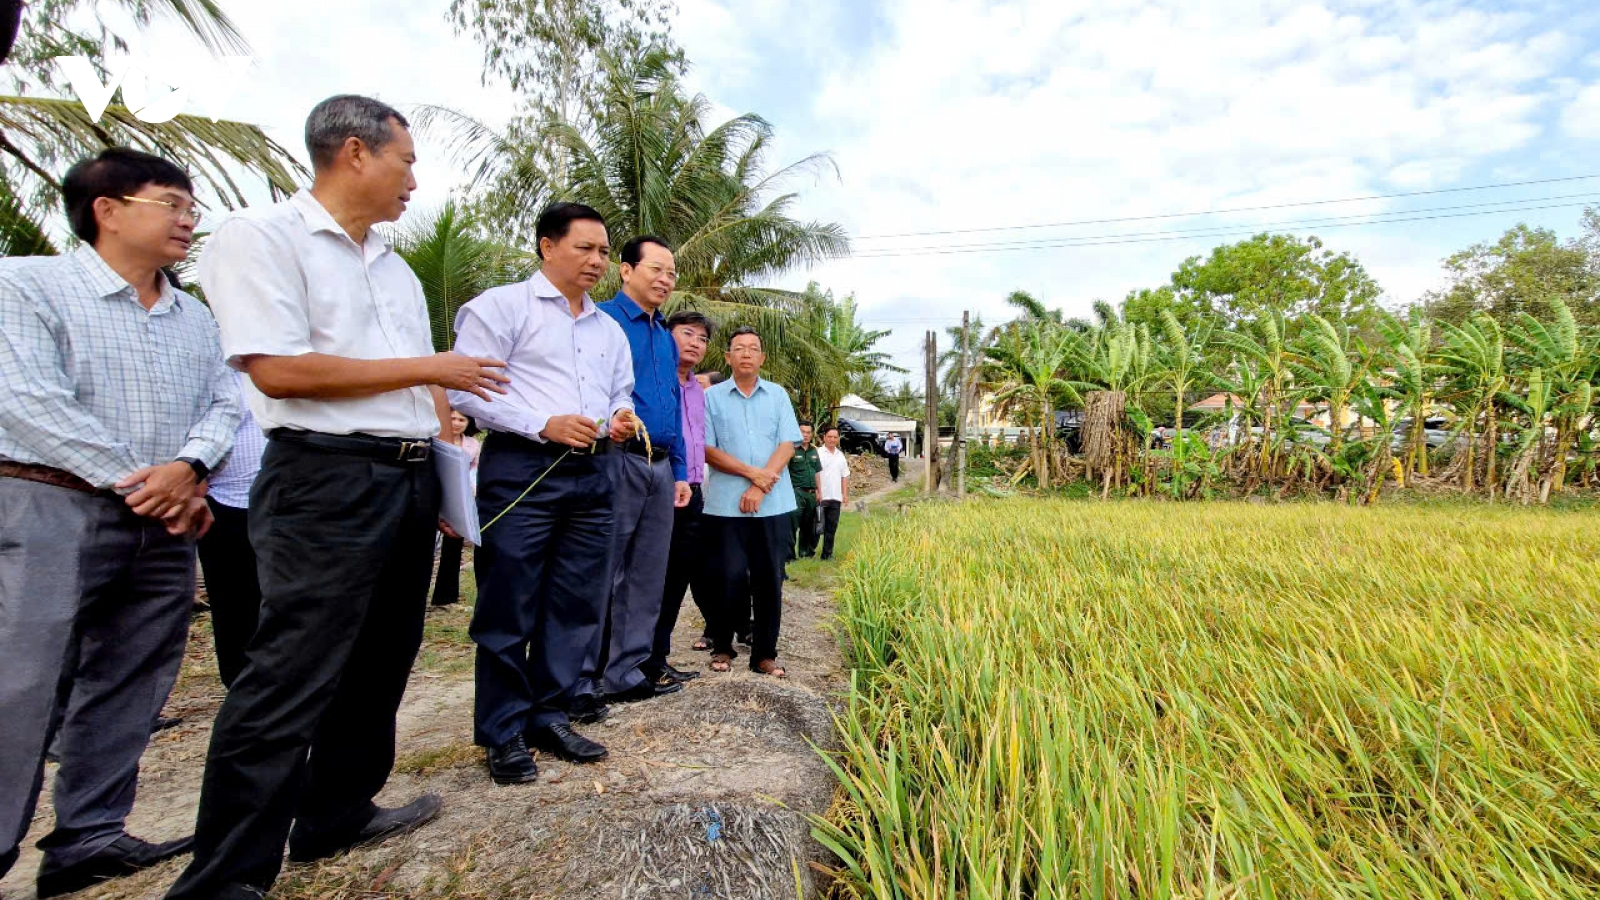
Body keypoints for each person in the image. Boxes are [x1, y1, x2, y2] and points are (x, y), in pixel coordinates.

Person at [166, 96, 510, 900]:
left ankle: (336, 812)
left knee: (385, 658)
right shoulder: (261, 238)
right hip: (324, 476)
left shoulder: (391, 265)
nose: (414, 180)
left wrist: (443, 458)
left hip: (408, 472)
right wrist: (434, 369)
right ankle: (224, 877)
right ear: (354, 152)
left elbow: (422, 382)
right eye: (407, 160)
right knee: (292, 672)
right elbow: (278, 369)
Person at [0, 148, 239, 898]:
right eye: (171, 203)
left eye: (190, 206)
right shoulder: (27, 286)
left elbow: (227, 402)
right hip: (52, 504)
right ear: (106, 209)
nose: (188, 219)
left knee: (133, 677)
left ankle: (90, 835)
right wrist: (152, 481)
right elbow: (26, 401)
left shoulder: (192, 313)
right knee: (19, 684)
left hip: (168, 518)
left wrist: (190, 469)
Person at [447, 202, 636, 785]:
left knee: (575, 600)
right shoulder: (500, 308)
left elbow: (617, 392)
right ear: (546, 246)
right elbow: (466, 390)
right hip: (522, 469)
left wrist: (619, 416)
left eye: (604, 251)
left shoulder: (608, 329)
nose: (598, 261)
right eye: (586, 248)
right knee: (510, 601)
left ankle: (549, 714)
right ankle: (502, 731)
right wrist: (541, 422)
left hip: (594, 473)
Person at [588, 235, 692, 701]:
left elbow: (672, 404)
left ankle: (626, 672)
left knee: (648, 573)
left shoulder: (663, 334)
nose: (665, 280)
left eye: (671, 273)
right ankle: (582, 675)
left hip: (661, 466)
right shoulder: (602, 322)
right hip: (616, 460)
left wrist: (683, 471)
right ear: (626, 271)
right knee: (599, 569)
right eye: (656, 269)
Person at [702, 326, 801, 678]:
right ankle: (723, 646)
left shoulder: (777, 395)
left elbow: (788, 444)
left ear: (762, 358)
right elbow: (708, 449)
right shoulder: (711, 398)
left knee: (769, 580)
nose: (746, 353)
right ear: (727, 357)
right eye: (738, 348)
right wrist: (751, 474)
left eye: (753, 348)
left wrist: (760, 486)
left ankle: (763, 654)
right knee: (726, 577)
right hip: (724, 506)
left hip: (772, 505)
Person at [649, 310, 715, 677]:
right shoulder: (655, 382)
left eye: (702, 339)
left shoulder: (697, 391)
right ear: (665, 336)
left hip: (691, 490)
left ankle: (657, 657)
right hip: (657, 483)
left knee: (677, 577)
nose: (695, 343)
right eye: (687, 333)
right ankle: (625, 660)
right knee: (645, 576)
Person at [197, 368, 267, 687]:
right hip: (225, 501)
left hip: (293, 500)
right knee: (236, 608)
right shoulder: (211, 363)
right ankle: (244, 689)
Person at [431, 408, 481, 607]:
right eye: (452, 418)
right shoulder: (433, 438)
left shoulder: (473, 445)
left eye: (462, 419)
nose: (457, 422)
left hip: (460, 495)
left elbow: (475, 470)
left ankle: (445, 596)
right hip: (433, 493)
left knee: (453, 544)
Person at [815, 426, 851, 561]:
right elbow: (814, 473)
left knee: (831, 528)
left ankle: (827, 555)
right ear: (824, 437)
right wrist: (817, 491)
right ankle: (807, 552)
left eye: (835, 437)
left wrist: (845, 494)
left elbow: (845, 476)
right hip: (821, 497)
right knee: (817, 527)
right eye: (829, 436)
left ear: (838, 439)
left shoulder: (840, 455)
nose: (832, 439)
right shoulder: (818, 453)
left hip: (835, 497)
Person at [789, 422, 821, 559]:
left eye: (808, 432)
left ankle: (804, 552)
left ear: (812, 434)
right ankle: (789, 555)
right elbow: (785, 472)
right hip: (797, 492)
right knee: (792, 525)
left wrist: (819, 491)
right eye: (803, 432)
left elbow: (817, 472)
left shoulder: (814, 450)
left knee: (808, 525)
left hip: (811, 494)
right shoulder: (791, 450)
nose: (806, 435)